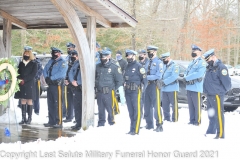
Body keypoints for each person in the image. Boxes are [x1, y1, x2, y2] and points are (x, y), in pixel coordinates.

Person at [202, 49, 231, 139]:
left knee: (218, 114)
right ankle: (211, 131)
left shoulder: (221, 67)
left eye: (208, 59)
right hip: (210, 94)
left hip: (217, 95)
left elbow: (227, 83)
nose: (207, 62)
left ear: (213, 57)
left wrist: (221, 91)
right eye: (206, 60)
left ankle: (220, 134)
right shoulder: (210, 67)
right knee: (211, 114)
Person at [95, 48, 123, 127]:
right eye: (101, 57)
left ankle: (111, 122)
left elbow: (119, 80)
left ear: (108, 57)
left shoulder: (114, 67)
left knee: (110, 109)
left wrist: (112, 88)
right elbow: (95, 78)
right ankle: (101, 123)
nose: (102, 59)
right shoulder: (98, 66)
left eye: (103, 57)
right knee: (100, 109)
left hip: (109, 92)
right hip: (100, 91)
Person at [43, 47, 68, 128]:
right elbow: (45, 70)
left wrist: (51, 78)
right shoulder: (51, 61)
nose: (54, 54)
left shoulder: (63, 62)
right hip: (50, 85)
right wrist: (46, 77)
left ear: (59, 53)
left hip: (57, 85)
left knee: (58, 104)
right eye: (53, 53)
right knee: (50, 103)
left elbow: (62, 73)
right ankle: (51, 121)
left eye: (55, 53)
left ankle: (59, 122)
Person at [124, 49, 146, 135]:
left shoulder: (139, 66)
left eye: (129, 55)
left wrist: (142, 91)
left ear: (134, 56)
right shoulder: (126, 66)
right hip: (128, 91)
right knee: (131, 111)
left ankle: (136, 130)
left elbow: (145, 80)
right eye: (127, 56)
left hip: (136, 91)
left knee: (137, 111)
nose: (128, 57)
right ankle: (131, 129)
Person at [184, 45, 206, 125]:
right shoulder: (192, 62)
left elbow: (199, 73)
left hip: (196, 87)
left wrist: (187, 78)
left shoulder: (202, 62)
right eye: (192, 51)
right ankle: (192, 120)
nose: (192, 52)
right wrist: (185, 77)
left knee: (197, 106)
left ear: (199, 52)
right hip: (189, 87)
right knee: (191, 105)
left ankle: (197, 121)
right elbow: (186, 72)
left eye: (194, 51)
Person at [14, 46, 37, 125]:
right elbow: (18, 72)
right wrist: (20, 79)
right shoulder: (21, 63)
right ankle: (23, 118)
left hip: (29, 84)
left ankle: (29, 118)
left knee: (29, 100)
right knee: (23, 100)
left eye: (27, 54)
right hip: (22, 84)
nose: (26, 55)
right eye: (25, 53)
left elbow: (33, 74)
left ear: (30, 55)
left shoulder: (34, 63)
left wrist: (25, 79)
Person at [144, 45, 164, 132]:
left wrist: (146, 77)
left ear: (155, 52)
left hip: (155, 86)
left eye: (150, 53)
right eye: (148, 53)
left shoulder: (159, 62)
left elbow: (158, 76)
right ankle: (149, 124)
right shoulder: (148, 62)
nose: (149, 54)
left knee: (156, 106)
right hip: (147, 86)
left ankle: (159, 124)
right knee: (147, 105)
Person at [160, 52, 179, 122]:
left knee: (174, 105)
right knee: (165, 105)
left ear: (168, 58)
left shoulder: (175, 65)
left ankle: (175, 119)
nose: (163, 60)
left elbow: (174, 76)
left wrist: (164, 82)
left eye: (164, 59)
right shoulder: (164, 65)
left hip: (172, 88)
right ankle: (166, 118)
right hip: (164, 89)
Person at [68, 50, 82, 130]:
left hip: (81, 87)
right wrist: (72, 81)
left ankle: (81, 123)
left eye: (76, 56)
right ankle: (78, 123)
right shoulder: (76, 63)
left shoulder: (85, 63)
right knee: (76, 106)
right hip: (75, 87)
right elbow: (70, 73)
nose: (75, 57)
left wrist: (78, 82)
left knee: (81, 106)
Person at [63, 43, 76, 123]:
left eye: (70, 48)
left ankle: (77, 117)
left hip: (74, 82)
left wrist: (71, 80)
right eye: (68, 48)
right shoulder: (67, 57)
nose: (69, 50)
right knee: (69, 100)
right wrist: (65, 79)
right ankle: (69, 116)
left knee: (76, 101)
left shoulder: (76, 57)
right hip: (67, 81)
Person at [138, 49, 149, 119]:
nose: (140, 56)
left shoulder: (148, 62)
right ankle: (141, 115)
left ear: (145, 55)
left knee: (146, 101)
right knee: (140, 101)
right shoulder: (138, 63)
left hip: (147, 83)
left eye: (141, 54)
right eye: (139, 54)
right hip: (140, 84)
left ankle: (147, 115)